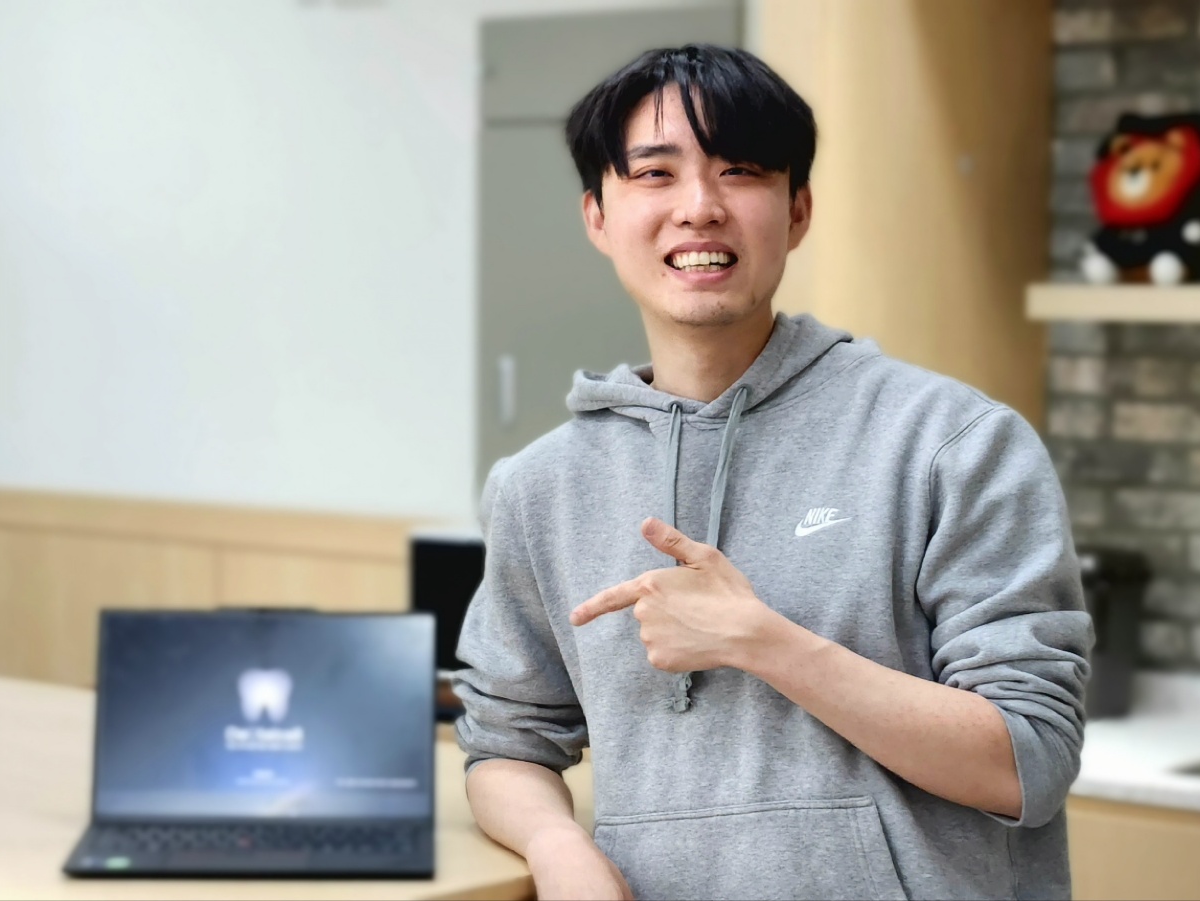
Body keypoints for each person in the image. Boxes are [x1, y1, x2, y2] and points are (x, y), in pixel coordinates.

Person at [452, 44, 1091, 901]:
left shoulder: (953, 442)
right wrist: (556, 843)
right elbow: (505, 742)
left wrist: (763, 642)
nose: (699, 207)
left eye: (740, 171)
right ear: (597, 216)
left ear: (797, 211)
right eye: (655, 173)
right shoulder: (541, 485)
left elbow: (1030, 760)